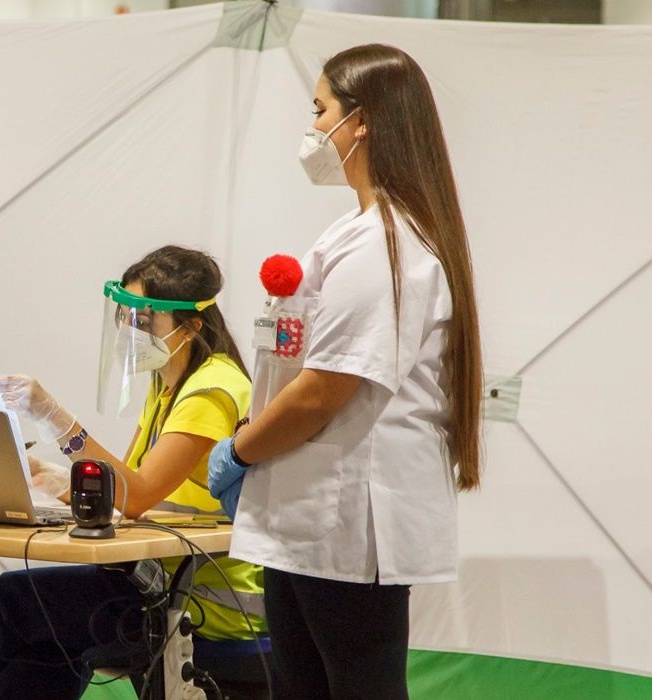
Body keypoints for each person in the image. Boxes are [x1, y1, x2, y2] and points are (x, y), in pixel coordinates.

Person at [212, 44, 483, 700]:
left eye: (319, 109)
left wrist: (240, 450)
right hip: (313, 522)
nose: (311, 128)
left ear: (359, 122)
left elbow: (320, 394)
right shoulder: (359, 234)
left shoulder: (383, 246)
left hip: (347, 526)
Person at [0, 246, 267, 700]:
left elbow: (134, 498)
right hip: (158, 584)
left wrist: (57, 418)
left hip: (201, 602)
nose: (129, 330)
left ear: (191, 326)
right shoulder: (168, 386)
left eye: (144, 319)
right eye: (126, 315)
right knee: (39, 630)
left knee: (19, 602)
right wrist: (53, 478)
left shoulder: (211, 390)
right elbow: (126, 490)